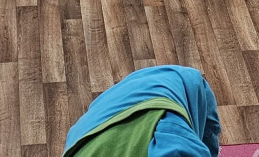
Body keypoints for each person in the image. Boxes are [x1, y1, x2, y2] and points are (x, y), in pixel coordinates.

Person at [63, 65, 220, 157]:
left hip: (176, 89)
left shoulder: (174, 136)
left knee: (207, 136)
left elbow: (177, 146)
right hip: (91, 129)